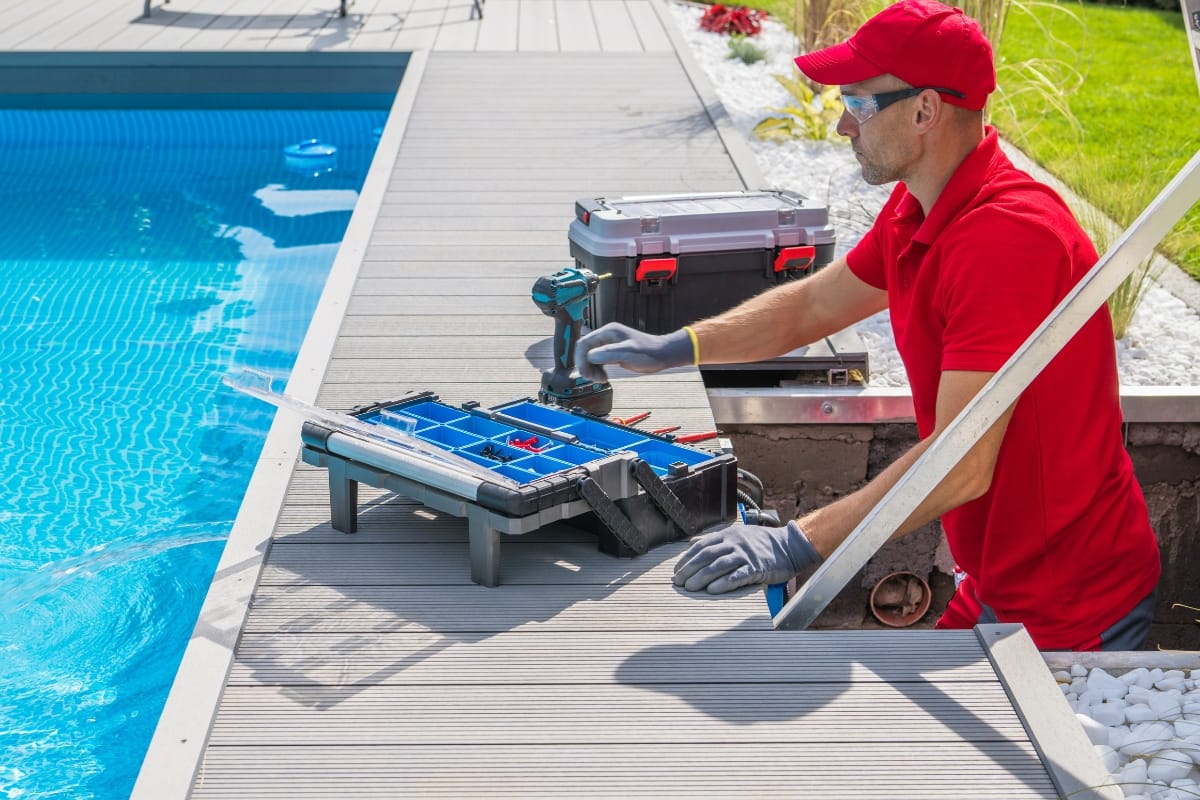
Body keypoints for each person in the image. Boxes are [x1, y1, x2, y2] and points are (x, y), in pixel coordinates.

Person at [574, 0, 1161, 651]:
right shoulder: (921, 205)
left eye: (857, 103)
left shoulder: (1006, 240)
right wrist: (676, 347)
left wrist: (797, 542)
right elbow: (812, 308)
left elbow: (961, 464)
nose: (840, 126)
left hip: (1073, 608)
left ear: (924, 111)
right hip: (996, 580)